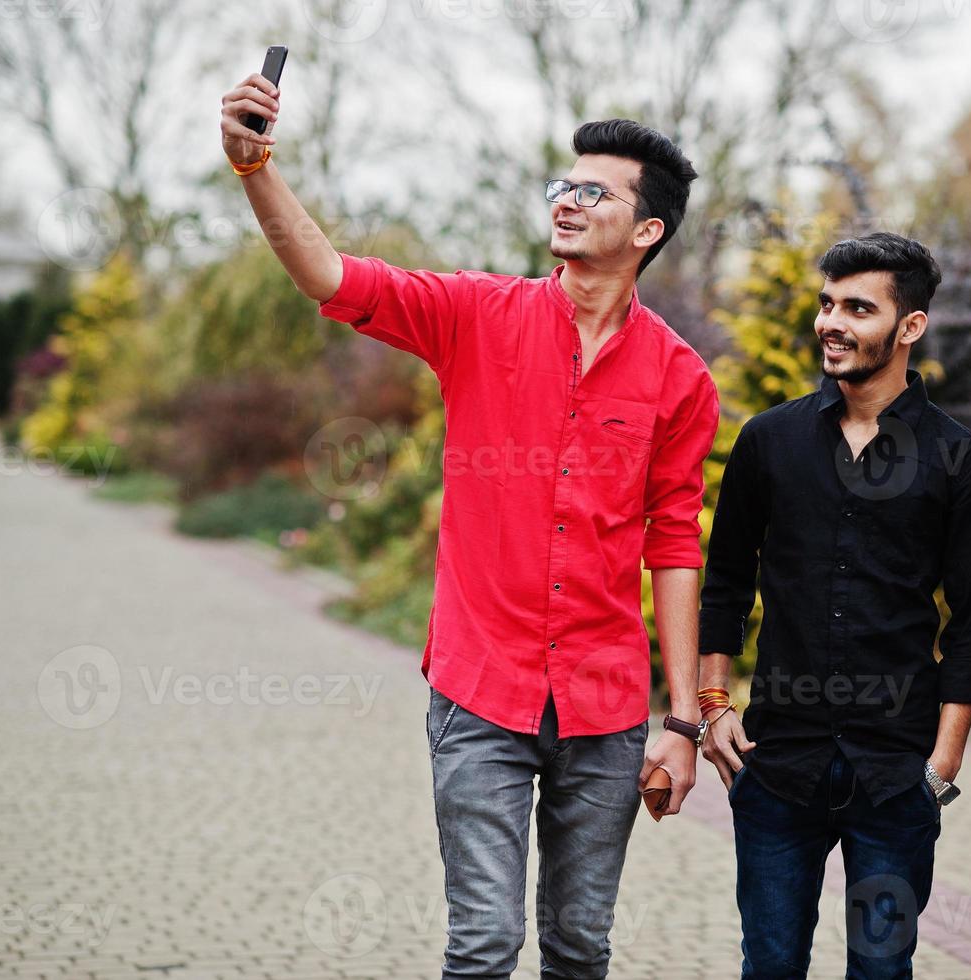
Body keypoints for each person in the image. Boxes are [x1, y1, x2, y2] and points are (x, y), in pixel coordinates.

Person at [219, 75, 720, 978]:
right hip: (479, 689)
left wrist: (680, 722)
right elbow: (328, 275)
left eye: (594, 191)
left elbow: (674, 546)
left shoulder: (679, 378)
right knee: (484, 946)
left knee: (578, 947)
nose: (567, 200)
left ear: (647, 231)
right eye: (562, 185)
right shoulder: (475, 315)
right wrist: (255, 165)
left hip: (604, 709)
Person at [699, 232, 971, 978]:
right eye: (826, 304)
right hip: (776, 765)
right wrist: (710, 705)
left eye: (857, 308)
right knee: (768, 967)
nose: (831, 322)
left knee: (880, 971)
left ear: (909, 326)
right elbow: (725, 581)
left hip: (897, 770)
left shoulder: (958, 459)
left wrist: (942, 761)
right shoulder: (768, 441)